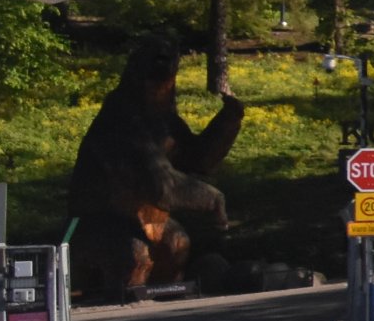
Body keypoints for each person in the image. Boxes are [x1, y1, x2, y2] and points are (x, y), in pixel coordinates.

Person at [65, 38, 245, 301]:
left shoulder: (163, 119)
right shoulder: (122, 120)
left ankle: (167, 306)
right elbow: (160, 187)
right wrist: (213, 199)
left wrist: (227, 122)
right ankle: (121, 306)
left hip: (141, 216)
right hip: (98, 219)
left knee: (176, 242)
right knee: (133, 252)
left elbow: (198, 161)